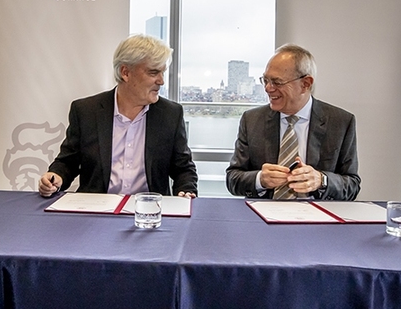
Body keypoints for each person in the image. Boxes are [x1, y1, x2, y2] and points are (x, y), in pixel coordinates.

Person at [38, 34, 198, 198]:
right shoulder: (86, 111)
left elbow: (183, 168)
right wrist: (56, 177)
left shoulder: (170, 114)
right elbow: (68, 162)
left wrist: (186, 190)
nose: (161, 81)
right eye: (153, 72)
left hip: (149, 212)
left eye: (162, 72)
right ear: (125, 73)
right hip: (95, 212)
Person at [226, 44, 360, 200]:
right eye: (266, 80)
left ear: (305, 84)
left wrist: (321, 180)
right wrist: (260, 179)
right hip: (263, 217)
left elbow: (352, 185)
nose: (268, 89)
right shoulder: (252, 120)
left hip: (317, 218)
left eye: (277, 82)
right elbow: (232, 179)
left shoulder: (340, 122)